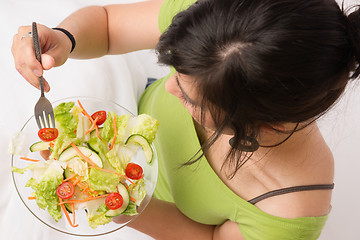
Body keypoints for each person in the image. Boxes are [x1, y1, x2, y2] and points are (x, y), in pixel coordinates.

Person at [11, 0, 360, 239]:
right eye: (174, 72)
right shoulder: (220, 23)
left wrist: (118, 202)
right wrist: (64, 39)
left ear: (270, 125)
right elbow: (106, 24)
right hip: (124, 104)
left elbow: (209, 237)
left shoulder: (291, 207)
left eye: (190, 98)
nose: (170, 91)